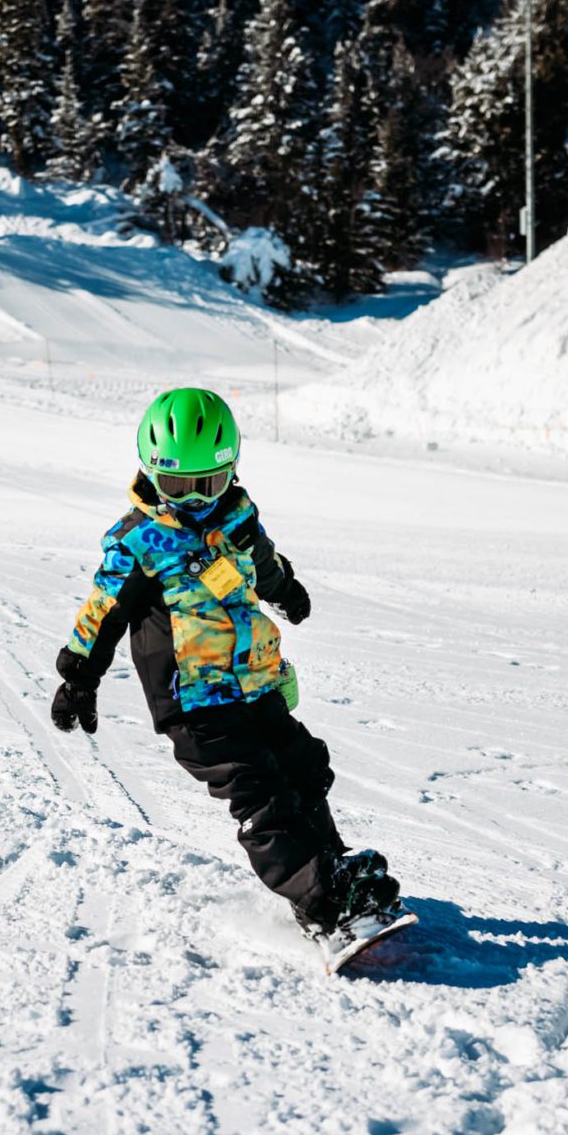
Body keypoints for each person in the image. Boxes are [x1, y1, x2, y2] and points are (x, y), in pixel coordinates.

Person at [50, 388, 403, 940]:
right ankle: (323, 902)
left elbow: (262, 563)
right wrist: (79, 678)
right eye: (176, 486)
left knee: (303, 769)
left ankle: (336, 874)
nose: (192, 500)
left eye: (206, 485)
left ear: (230, 471)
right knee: (261, 795)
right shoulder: (140, 541)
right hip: (193, 704)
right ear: (149, 472)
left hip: (255, 685)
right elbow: (103, 611)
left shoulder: (238, 519)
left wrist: (287, 589)